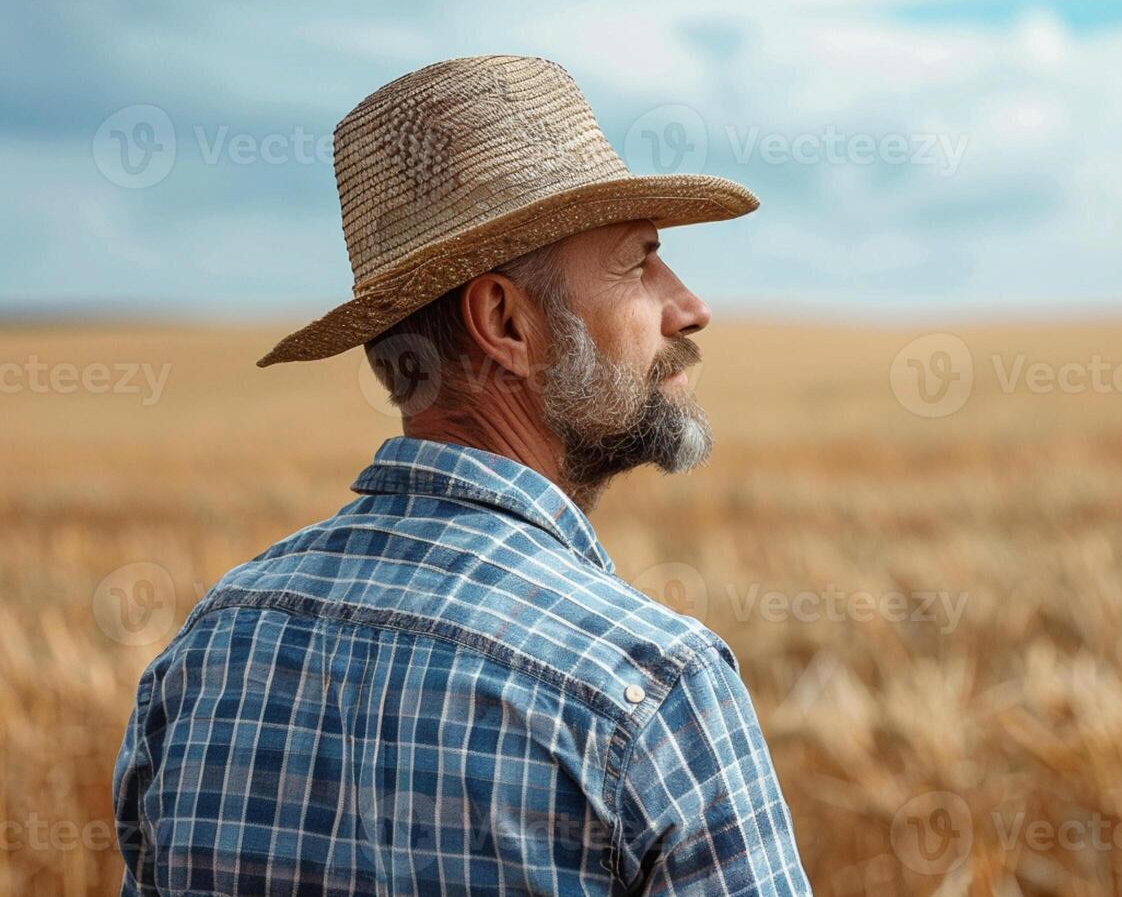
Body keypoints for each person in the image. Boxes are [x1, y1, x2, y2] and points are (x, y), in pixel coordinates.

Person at [113, 54, 812, 895]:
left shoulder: (208, 651)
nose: (689, 306)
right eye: (639, 263)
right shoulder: (648, 690)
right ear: (503, 322)